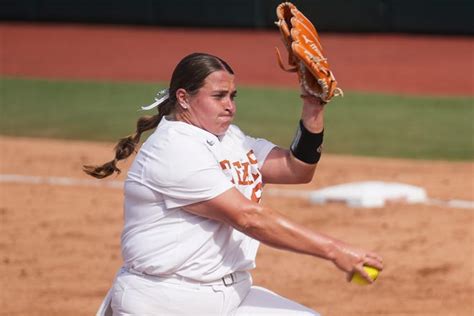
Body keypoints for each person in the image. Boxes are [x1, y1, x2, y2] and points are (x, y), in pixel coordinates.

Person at [84, 52, 383, 315]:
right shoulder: (173, 148)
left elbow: (297, 169)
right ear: (184, 98)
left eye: (233, 96)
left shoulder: (231, 139)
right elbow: (248, 217)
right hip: (167, 300)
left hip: (231, 296)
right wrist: (335, 250)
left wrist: (313, 107)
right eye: (219, 96)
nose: (230, 106)